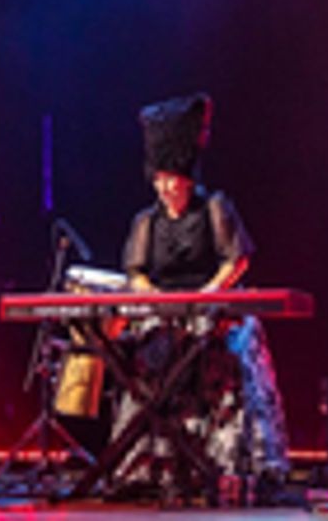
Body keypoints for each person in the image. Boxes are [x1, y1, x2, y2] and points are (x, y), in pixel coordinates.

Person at [113, 93, 288, 498]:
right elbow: (135, 272)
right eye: (160, 180)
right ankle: (149, 466)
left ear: (187, 177)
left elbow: (237, 260)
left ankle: (232, 464)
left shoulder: (214, 207)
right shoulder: (146, 221)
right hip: (165, 307)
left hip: (213, 302)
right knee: (146, 358)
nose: (166, 187)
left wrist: (208, 293)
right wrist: (155, 297)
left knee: (226, 350)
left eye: (173, 179)